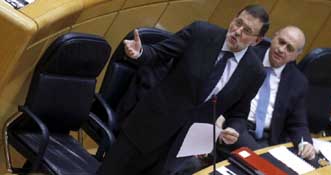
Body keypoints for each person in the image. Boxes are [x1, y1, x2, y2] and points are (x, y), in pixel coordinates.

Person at [98, 4, 270, 175]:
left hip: (179, 149)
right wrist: (140, 52)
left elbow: (239, 114)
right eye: (238, 22)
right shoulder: (200, 33)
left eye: (247, 30)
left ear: (257, 41)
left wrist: (233, 128)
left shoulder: (254, 72)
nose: (238, 31)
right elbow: (159, 53)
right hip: (148, 128)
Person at [217, 26, 316, 160]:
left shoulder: (298, 81)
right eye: (281, 42)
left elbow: (298, 123)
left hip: (266, 138)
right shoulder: (247, 56)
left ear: (296, 55)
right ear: (274, 37)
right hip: (236, 125)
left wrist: (306, 143)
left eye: (289, 48)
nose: (281, 50)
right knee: (266, 162)